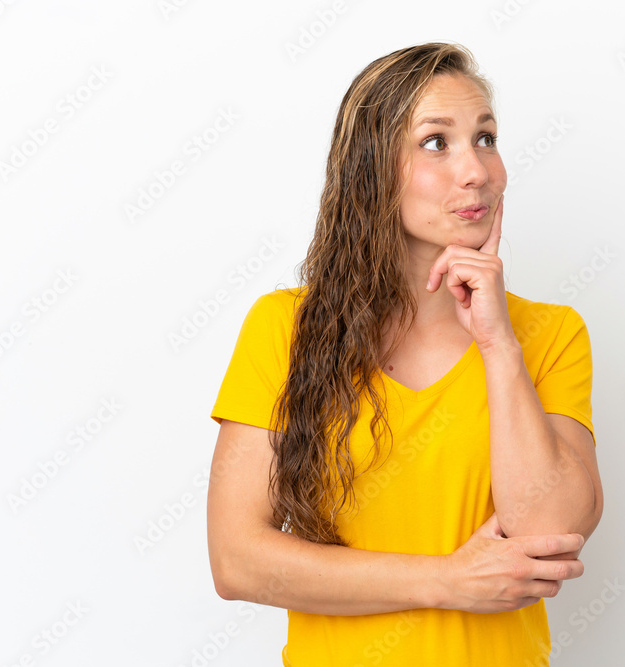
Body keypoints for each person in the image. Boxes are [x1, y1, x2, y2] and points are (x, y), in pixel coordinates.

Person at [206, 41, 603, 666]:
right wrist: (448, 579)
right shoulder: (285, 328)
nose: (476, 170)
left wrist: (497, 342)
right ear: (370, 167)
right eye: (436, 142)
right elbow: (237, 560)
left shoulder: (549, 334)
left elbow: (550, 530)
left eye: (487, 137)